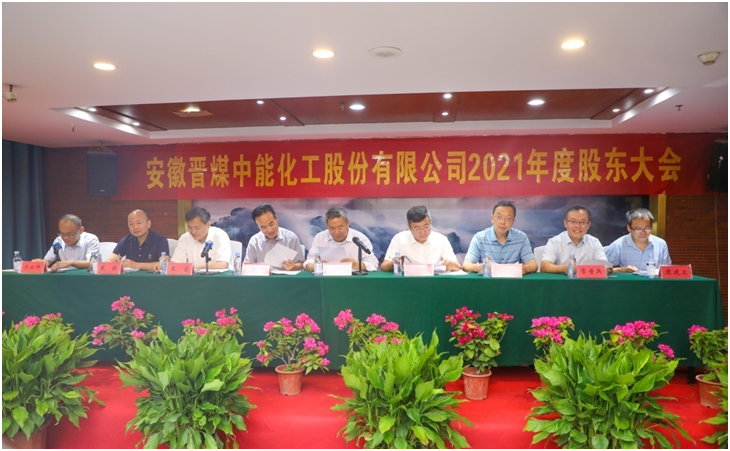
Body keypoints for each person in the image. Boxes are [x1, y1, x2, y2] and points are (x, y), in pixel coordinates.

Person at [463, 200, 537, 275]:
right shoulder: (480, 238)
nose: (503, 222)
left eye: (508, 218)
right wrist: (477, 267)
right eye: (499, 217)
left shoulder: (521, 238)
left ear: (513, 221)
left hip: (512, 280)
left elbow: (533, 265)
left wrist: (526, 269)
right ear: (492, 219)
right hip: (488, 280)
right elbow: (466, 265)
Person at [381, 205, 461, 272]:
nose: (422, 232)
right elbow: (384, 266)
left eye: (426, 227)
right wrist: (393, 264)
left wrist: (450, 264)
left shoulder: (441, 240)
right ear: (409, 227)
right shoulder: (399, 239)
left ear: (430, 222)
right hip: (406, 282)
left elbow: (457, 266)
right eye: (417, 229)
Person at [304, 207, 379, 272]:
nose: (336, 232)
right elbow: (309, 261)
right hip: (327, 279)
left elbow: (374, 263)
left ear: (347, 223)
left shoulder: (360, 238)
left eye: (340, 227)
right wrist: (318, 265)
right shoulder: (320, 238)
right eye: (332, 228)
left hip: (352, 279)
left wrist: (355, 265)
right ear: (327, 225)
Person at [541, 206, 608, 274]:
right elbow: (544, 266)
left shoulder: (594, 242)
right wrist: (563, 268)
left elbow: (605, 265)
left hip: (588, 280)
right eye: (573, 221)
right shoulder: (554, 242)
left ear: (588, 225)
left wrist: (607, 268)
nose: (577, 226)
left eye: (582, 222)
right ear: (565, 223)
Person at [606, 208, 671, 273]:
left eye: (647, 228)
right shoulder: (617, 245)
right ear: (629, 228)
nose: (643, 232)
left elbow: (668, 270)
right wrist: (621, 270)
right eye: (638, 229)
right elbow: (604, 270)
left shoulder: (661, 244)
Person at [244, 203, 304, 270]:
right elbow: (247, 267)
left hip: (285, 276)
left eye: (271, 224)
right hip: (262, 276)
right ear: (258, 226)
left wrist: (294, 267)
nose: (269, 230)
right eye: (263, 227)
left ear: (276, 218)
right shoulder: (254, 242)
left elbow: (302, 264)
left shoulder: (291, 238)